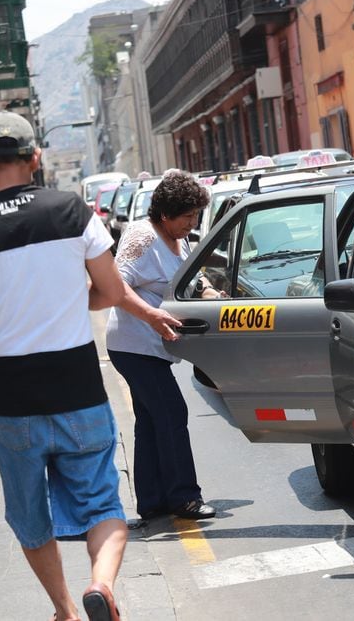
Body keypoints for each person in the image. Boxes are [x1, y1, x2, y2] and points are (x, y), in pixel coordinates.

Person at [0, 111, 128, 621]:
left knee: (29, 517)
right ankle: (100, 585)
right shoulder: (71, 211)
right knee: (103, 507)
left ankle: (64, 611)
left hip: (11, 403)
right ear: (35, 159)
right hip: (79, 391)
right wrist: (64, 300)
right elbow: (109, 291)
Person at [105, 170, 218, 523]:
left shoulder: (178, 238)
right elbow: (114, 286)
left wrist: (209, 291)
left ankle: (153, 501)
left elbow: (188, 277)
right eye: (187, 216)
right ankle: (184, 498)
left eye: (196, 215)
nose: (192, 223)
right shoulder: (142, 236)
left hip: (154, 346)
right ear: (166, 213)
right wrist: (152, 316)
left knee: (151, 421)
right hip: (133, 345)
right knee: (171, 413)